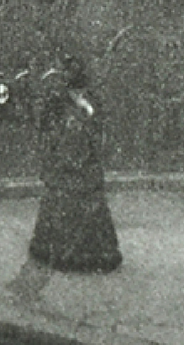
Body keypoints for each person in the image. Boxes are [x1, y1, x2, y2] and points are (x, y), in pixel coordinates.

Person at [28, 55, 122, 272]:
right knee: (67, 202)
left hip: (82, 162)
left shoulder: (88, 100)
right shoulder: (58, 101)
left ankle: (83, 252)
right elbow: (48, 129)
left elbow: (98, 127)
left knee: (81, 202)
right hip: (67, 161)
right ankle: (62, 250)